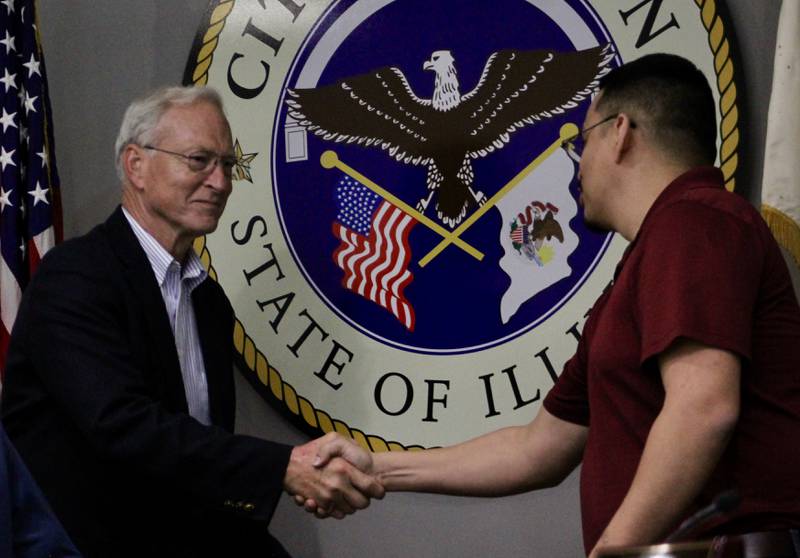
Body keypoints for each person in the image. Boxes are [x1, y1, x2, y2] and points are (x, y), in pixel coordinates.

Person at [310, 53, 800, 557]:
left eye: (584, 139)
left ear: (621, 132)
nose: (578, 165)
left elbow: (703, 408)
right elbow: (538, 448)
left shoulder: (694, 222)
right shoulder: (647, 259)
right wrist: (378, 467)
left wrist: (614, 550)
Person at [0, 86, 382, 558]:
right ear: (135, 165)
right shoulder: (74, 278)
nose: (219, 182)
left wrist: (295, 471)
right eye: (199, 160)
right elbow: (122, 426)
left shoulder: (208, 300)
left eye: (226, 164)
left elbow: (200, 449)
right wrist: (281, 467)